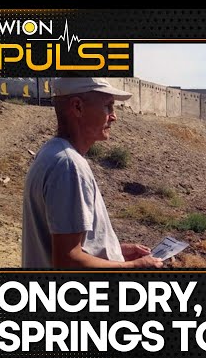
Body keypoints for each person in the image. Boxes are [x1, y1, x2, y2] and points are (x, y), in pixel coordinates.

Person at [22, 77, 163, 269]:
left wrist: (115, 250)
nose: (114, 116)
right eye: (108, 106)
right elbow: (67, 261)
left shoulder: (52, 153)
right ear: (78, 107)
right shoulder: (68, 166)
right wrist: (133, 266)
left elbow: (70, 245)